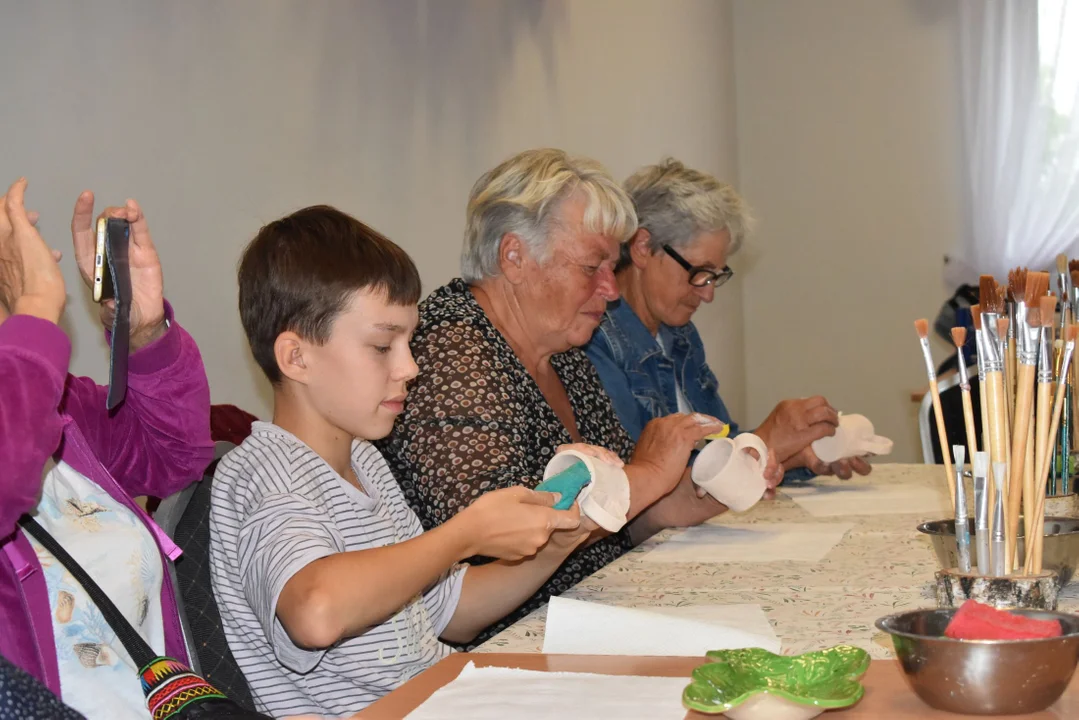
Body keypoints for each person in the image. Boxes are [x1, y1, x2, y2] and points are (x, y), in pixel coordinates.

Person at [210, 205, 621, 717]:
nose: (410, 366)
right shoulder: (265, 475)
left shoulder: (366, 462)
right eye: (383, 346)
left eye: (407, 341)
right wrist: (462, 535)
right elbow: (314, 612)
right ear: (297, 358)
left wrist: (561, 540)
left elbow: (452, 615)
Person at [378, 149, 782, 647]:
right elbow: (503, 543)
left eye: (611, 268)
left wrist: (682, 499)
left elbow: (604, 529)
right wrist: (648, 474)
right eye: (592, 267)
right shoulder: (450, 355)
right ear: (514, 258)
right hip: (505, 650)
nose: (611, 291)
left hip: (584, 619)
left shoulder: (562, 347)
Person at [0, 179, 213, 719]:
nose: (41, 258)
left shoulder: (62, 408)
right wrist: (32, 308)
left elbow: (173, 459)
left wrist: (141, 333)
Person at [585, 159, 872, 481]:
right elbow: (636, 485)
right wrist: (767, 438)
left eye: (715, 276)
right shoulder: (594, 341)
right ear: (641, 247)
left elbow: (717, 447)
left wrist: (799, 455)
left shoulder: (679, 336)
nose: (707, 295)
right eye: (699, 273)